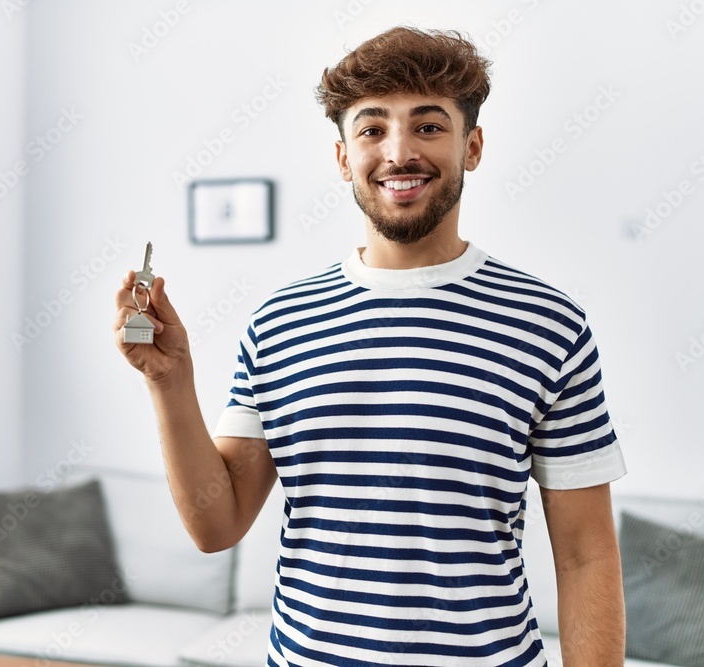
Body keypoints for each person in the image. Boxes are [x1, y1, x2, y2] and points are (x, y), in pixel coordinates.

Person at [114, 25, 627, 667]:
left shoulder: (549, 323)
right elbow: (216, 527)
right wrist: (169, 381)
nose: (399, 151)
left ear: (472, 146)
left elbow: (586, 555)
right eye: (372, 128)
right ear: (342, 157)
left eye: (429, 126)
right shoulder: (279, 322)